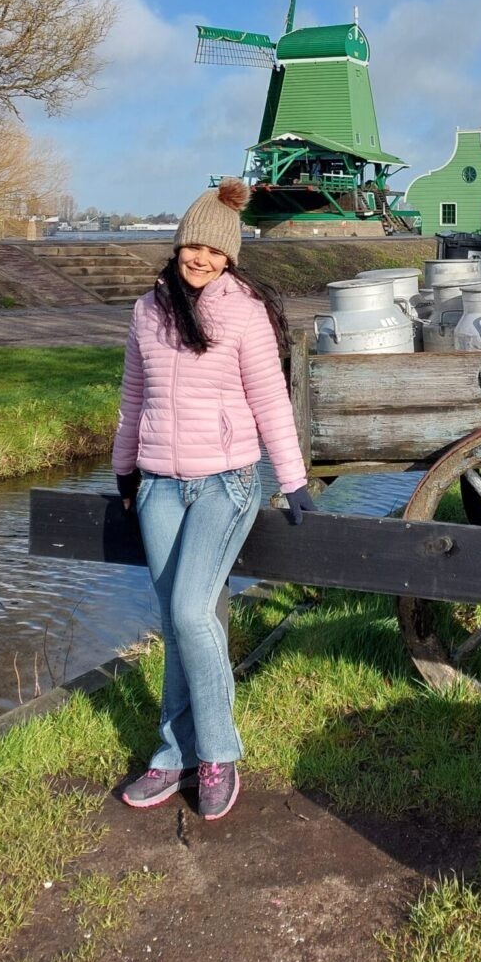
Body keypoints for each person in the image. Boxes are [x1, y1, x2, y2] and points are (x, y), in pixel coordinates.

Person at [111, 178, 315, 822]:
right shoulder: (148, 311)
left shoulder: (244, 312)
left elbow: (269, 400)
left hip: (226, 480)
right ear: (176, 247)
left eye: (214, 250)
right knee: (175, 620)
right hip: (159, 484)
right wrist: (124, 472)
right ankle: (172, 754)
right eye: (192, 246)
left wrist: (293, 477)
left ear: (230, 256)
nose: (201, 258)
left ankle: (219, 754)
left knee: (194, 612)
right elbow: (132, 397)